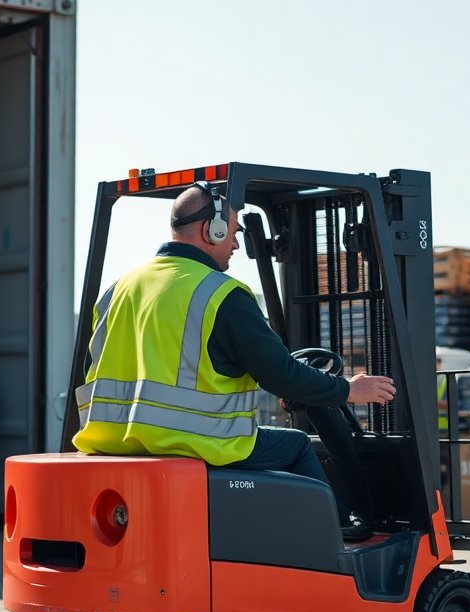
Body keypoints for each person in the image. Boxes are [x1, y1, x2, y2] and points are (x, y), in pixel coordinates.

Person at [71, 181, 395, 541]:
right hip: (194, 443)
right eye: (234, 232)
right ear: (213, 229)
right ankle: (333, 543)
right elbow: (282, 374)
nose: (237, 244)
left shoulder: (120, 288)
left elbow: (92, 367)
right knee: (297, 445)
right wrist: (347, 390)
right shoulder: (220, 293)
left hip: (110, 442)